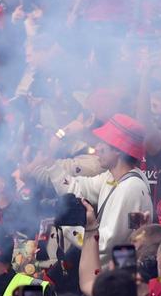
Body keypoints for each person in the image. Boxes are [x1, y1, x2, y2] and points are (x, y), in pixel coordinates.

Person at [59, 113, 153, 264]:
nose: (96, 148)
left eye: (102, 143)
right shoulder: (112, 178)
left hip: (113, 281)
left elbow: (103, 244)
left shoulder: (130, 188)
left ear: (117, 150)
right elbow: (79, 186)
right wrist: (51, 169)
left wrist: (68, 228)